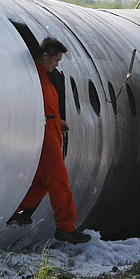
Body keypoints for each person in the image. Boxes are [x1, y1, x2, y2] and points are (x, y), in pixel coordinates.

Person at [6, 37, 90, 243]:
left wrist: (58, 122)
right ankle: (66, 227)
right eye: (56, 60)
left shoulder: (44, 77)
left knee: (43, 181)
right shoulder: (34, 77)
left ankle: (19, 209)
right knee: (59, 181)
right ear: (45, 56)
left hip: (51, 131)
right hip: (44, 135)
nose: (57, 65)